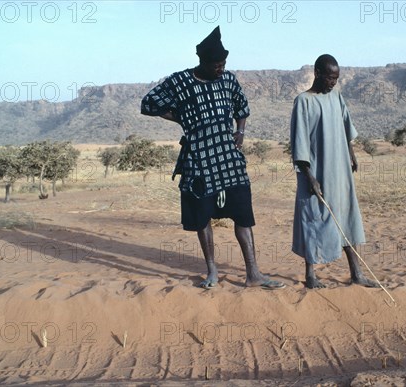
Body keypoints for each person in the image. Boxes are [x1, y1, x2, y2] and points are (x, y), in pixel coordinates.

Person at [141, 26, 284, 290]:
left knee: (243, 214)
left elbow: (242, 107)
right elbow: (149, 104)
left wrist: (240, 131)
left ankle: (253, 273)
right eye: (216, 65)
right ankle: (212, 271)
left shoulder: (228, 80)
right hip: (198, 159)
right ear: (203, 62)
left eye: (223, 64)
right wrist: (181, 117)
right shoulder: (180, 81)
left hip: (229, 158)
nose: (221, 68)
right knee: (202, 216)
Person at [290, 54, 380, 289]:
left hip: (340, 171)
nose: (333, 82)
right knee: (314, 219)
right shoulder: (303, 101)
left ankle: (356, 273)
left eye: (336, 78)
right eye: (330, 77)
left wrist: (351, 154)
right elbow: (299, 143)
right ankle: (310, 275)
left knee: (346, 217)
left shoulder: (336, 96)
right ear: (318, 73)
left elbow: (344, 127)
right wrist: (309, 176)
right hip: (316, 172)